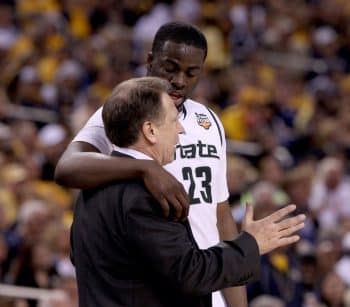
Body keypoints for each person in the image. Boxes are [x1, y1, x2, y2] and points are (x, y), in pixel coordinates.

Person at [55, 22, 286, 306]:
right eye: (170, 68)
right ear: (150, 60)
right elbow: (67, 167)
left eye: (191, 73)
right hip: (170, 280)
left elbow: (220, 213)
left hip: (209, 274)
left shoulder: (208, 120)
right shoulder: (127, 110)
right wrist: (145, 168)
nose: (179, 80)